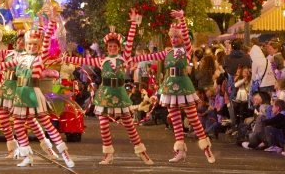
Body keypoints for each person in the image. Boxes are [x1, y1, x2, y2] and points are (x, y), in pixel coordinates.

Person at [0, 17, 75, 168]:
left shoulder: (40, 58)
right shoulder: (20, 57)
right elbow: (5, 64)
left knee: (47, 125)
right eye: (29, 44)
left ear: (38, 46)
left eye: (34, 45)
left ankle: (65, 155)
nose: (30, 47)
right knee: (18, 125)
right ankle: (27, 156)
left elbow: (47, 40)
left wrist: (51, 24)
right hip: (20, 94)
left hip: (33, 94)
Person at [62, 11, 152, 165]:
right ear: (107, 47)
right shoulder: (102, 60)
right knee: (103, 125)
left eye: (114, 46)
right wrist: (66, 58)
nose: (112, 48)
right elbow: (81, 59)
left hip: (120, 93)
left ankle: (141, 152)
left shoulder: (124, 59)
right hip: (105, 94)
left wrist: (132, 25)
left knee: (129, 124)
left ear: (118, 47)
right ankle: (108, 154)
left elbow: (129, 42)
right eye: (109, 46)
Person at [132, 10, 215, 163]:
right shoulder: (167, 53)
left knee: (193, 118)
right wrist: (133, 58)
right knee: (175, 119)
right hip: (170, 87)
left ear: (182, 37)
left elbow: (185, 32)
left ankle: (206, 149)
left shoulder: (186, 50)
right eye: (172, 37)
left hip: (183, 86)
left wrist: (182, 18)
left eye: (177, 36)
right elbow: (149, 56)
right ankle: (180, 151)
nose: (174, 39)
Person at [0, 30, 60, 160]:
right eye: (19, 39)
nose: (21, 42)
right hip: (6, 89)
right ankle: (12, 149)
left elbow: (37, 70)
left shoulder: (28, 57)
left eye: (24, 40)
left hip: (20, 90)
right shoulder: (9, 53)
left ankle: (48, 149)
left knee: (31, 121)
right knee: (4, 121)